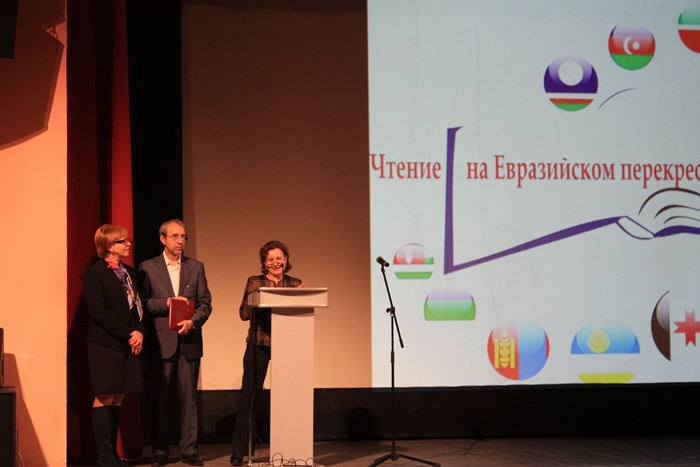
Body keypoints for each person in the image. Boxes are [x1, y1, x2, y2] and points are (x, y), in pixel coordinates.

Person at [138, 219, 213, 467]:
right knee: (160, 398)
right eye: (175, 236)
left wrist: (193, 322)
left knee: (188, 399)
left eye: (183, 237)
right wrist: (167, 302)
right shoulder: (148, 267)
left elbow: (205, 303)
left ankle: (189, 450)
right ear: (163, 239)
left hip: (189, 340)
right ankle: (160, 451)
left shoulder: (196, 267)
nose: (180, 241)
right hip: (162, 341)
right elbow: (143, 303)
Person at [230, 240, 304, 466]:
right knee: (250, 397)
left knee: (288, 398)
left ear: (286, 260)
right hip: (259, 346)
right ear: (264, 262)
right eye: (270, 259)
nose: (275, 262)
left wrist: (301, 297)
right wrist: (258, 298)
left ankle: (290, 448)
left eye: (279, 258)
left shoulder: (295, 283)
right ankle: (239, 452)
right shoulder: (255, 282)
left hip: (287, 347)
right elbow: (243, 313)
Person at [83, 224, 145, 467]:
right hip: (105, 343)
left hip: (127, 342)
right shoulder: (95, 273)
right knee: (105, 395)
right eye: (122, 241)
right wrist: (129, 334)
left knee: (118, 395)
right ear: (109, 246)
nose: (128, 244)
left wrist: (139, 331)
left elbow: (138, 306)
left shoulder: (128, 272)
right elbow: (98, 312)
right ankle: (105, 456)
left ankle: (113, 456)